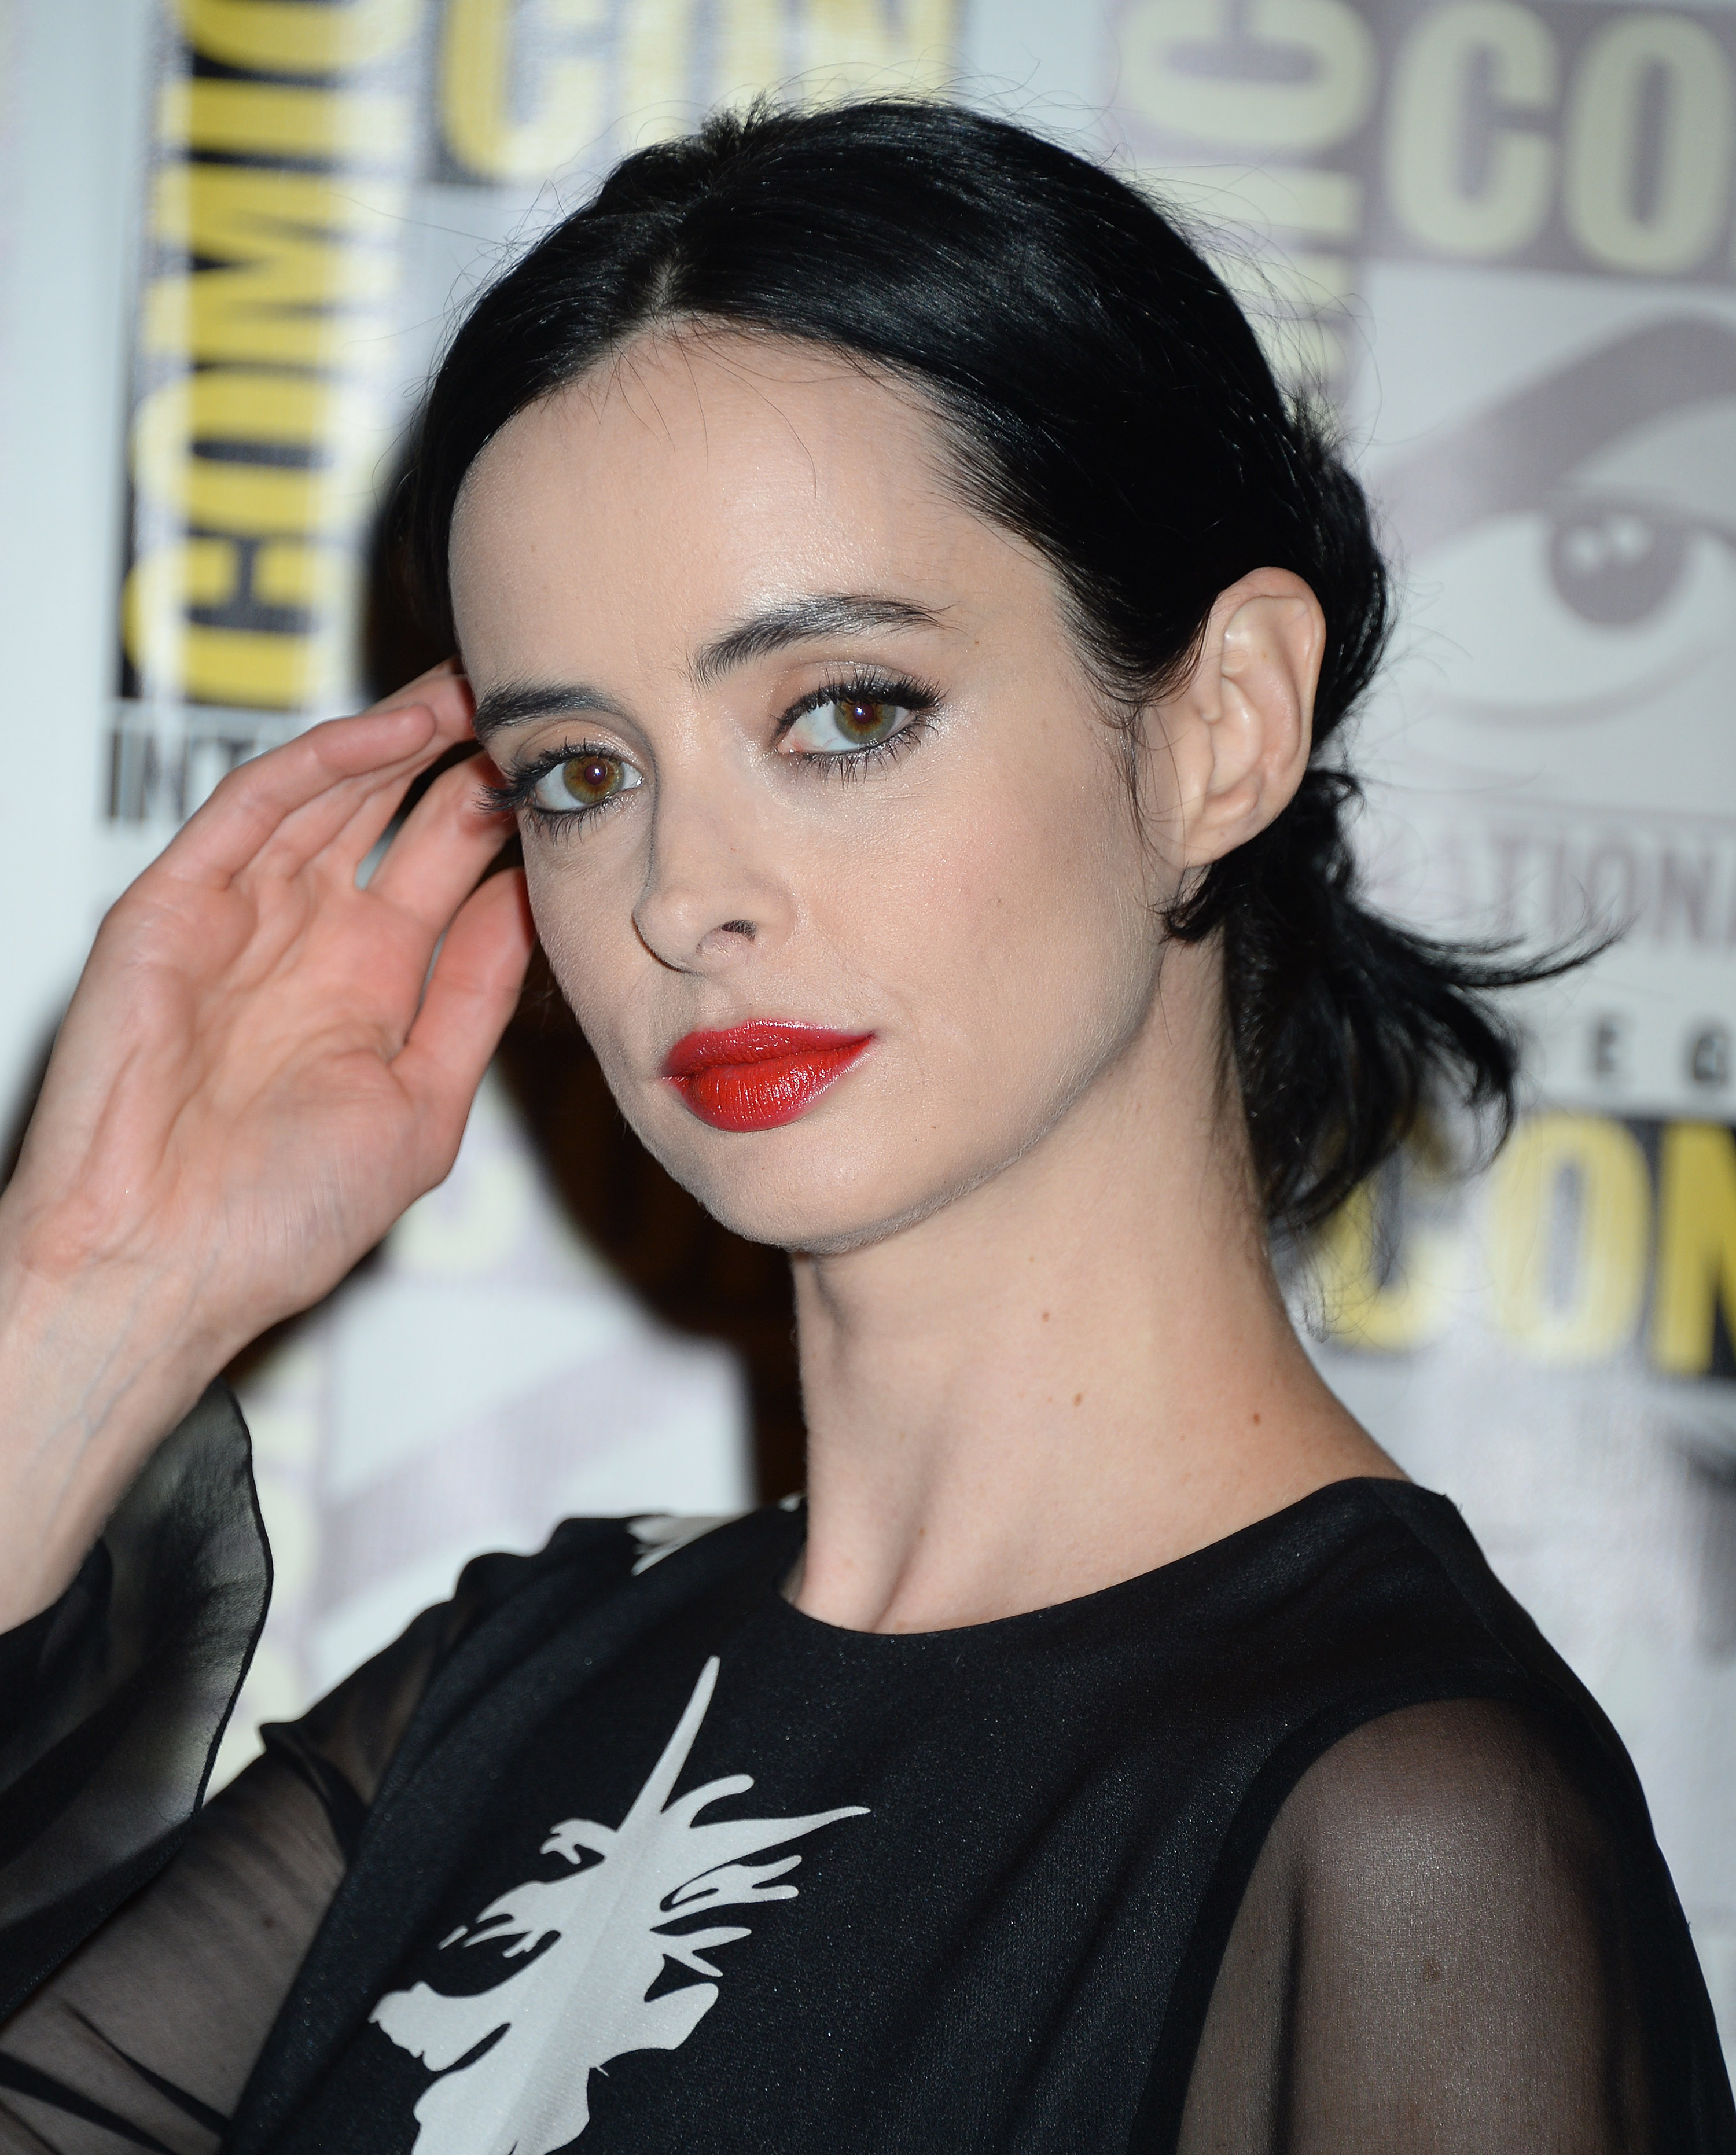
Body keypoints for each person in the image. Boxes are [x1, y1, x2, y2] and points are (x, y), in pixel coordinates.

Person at [0, 98, 1727, 2154]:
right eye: (580, 772)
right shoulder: (509, 1692)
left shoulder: (1401, 1826)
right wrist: (85, 1300)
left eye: (843, 711)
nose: (680, 895)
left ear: (1224, 725)